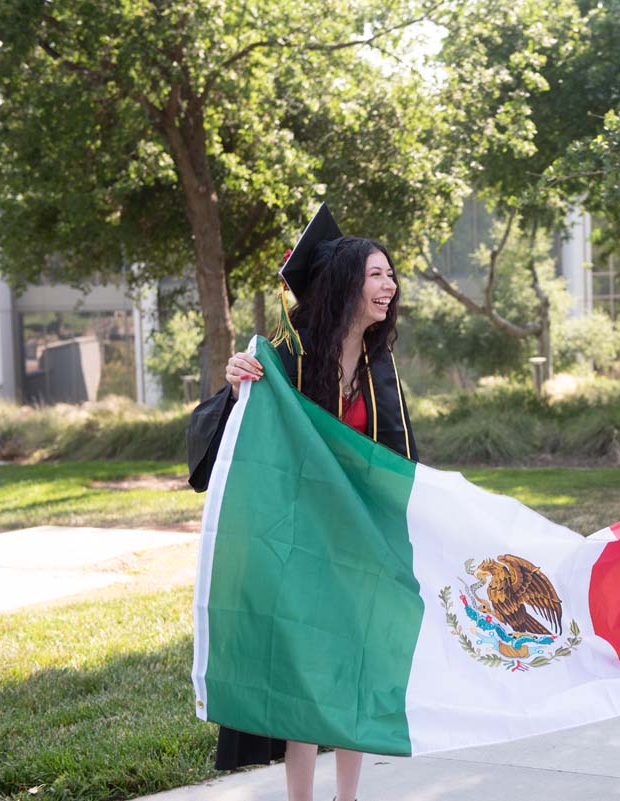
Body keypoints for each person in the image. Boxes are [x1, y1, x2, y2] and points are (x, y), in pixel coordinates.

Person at [186, 203, 417, 801]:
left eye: (391, 274)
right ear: (345, 284)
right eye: (376, 274)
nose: (389, 284)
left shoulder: (377, 364)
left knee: (356, 668)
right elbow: (243, 435)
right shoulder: (285, 357)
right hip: (296, 539)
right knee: (306, 673)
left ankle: (348, 797)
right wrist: (239, 384)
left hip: (355, 540)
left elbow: (398, 458)